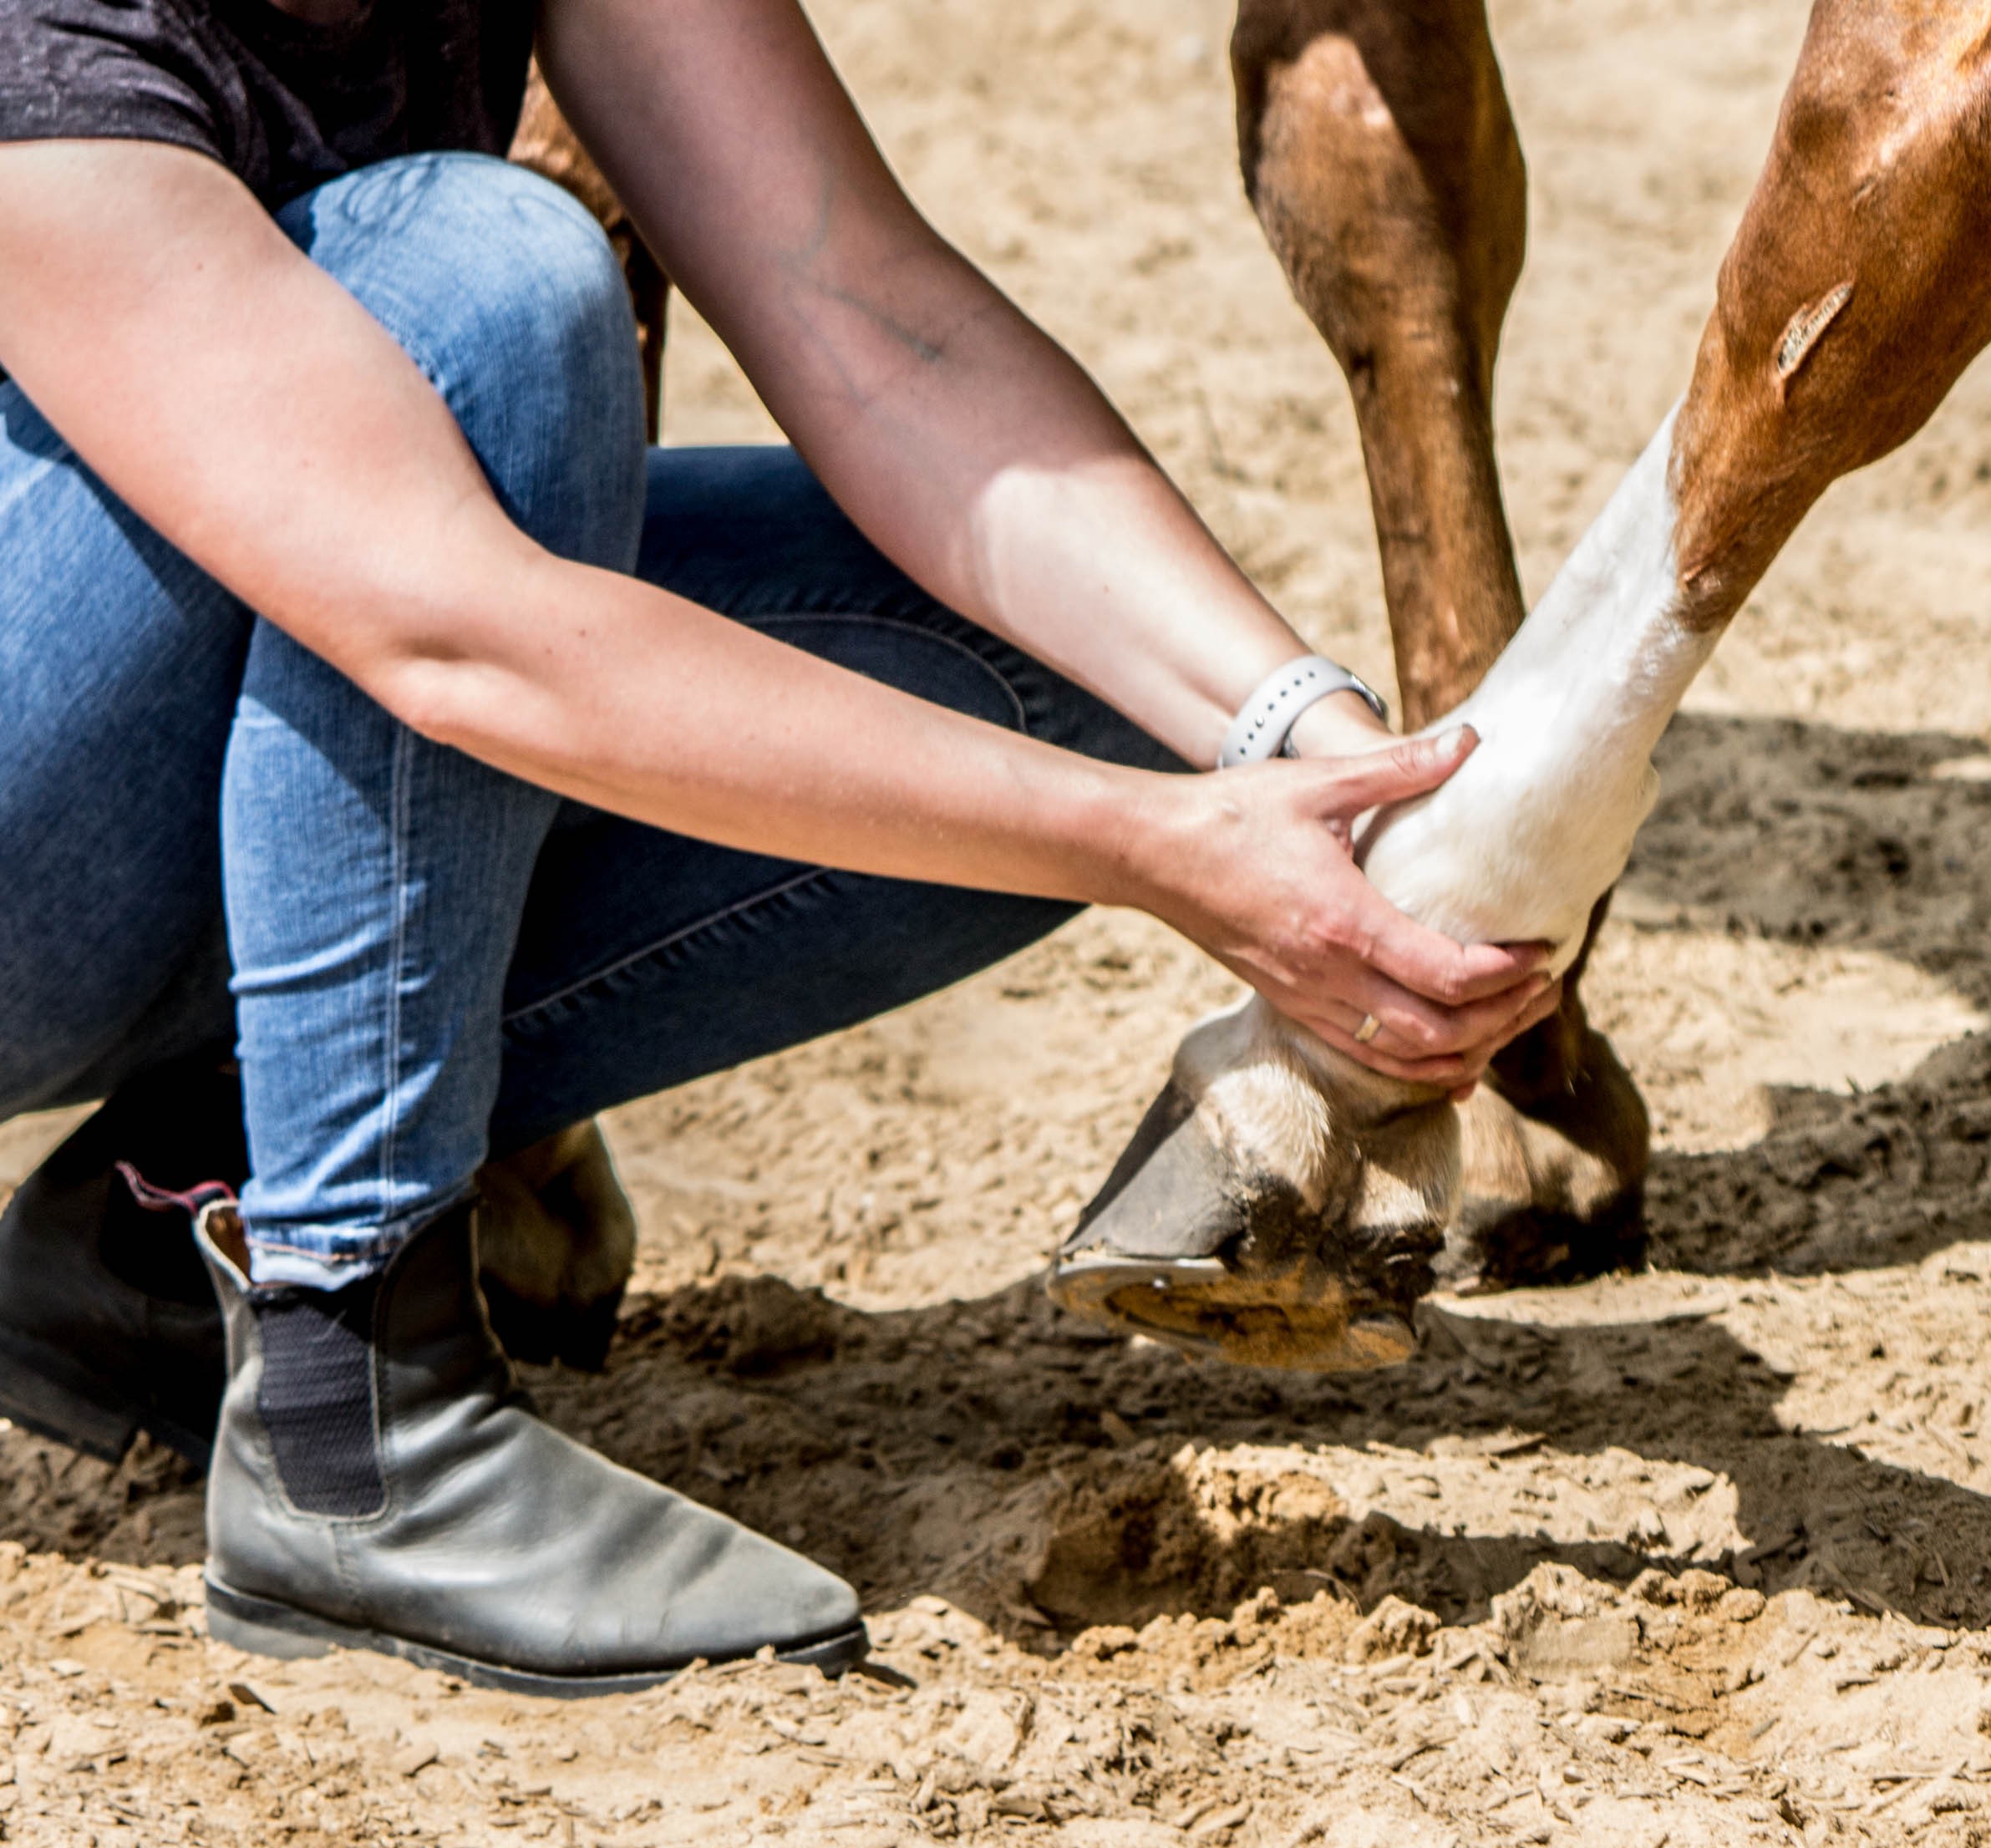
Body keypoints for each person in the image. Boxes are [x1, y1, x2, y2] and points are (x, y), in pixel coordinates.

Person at [0, 0, 1560, 1693]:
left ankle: (176, 1222)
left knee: (1033, 676)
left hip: (247, 602)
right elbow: (447, 624)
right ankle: (353, 1405)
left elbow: (875, 318)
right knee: (489, 281)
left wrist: (1304, 748)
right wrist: (1161, 850)